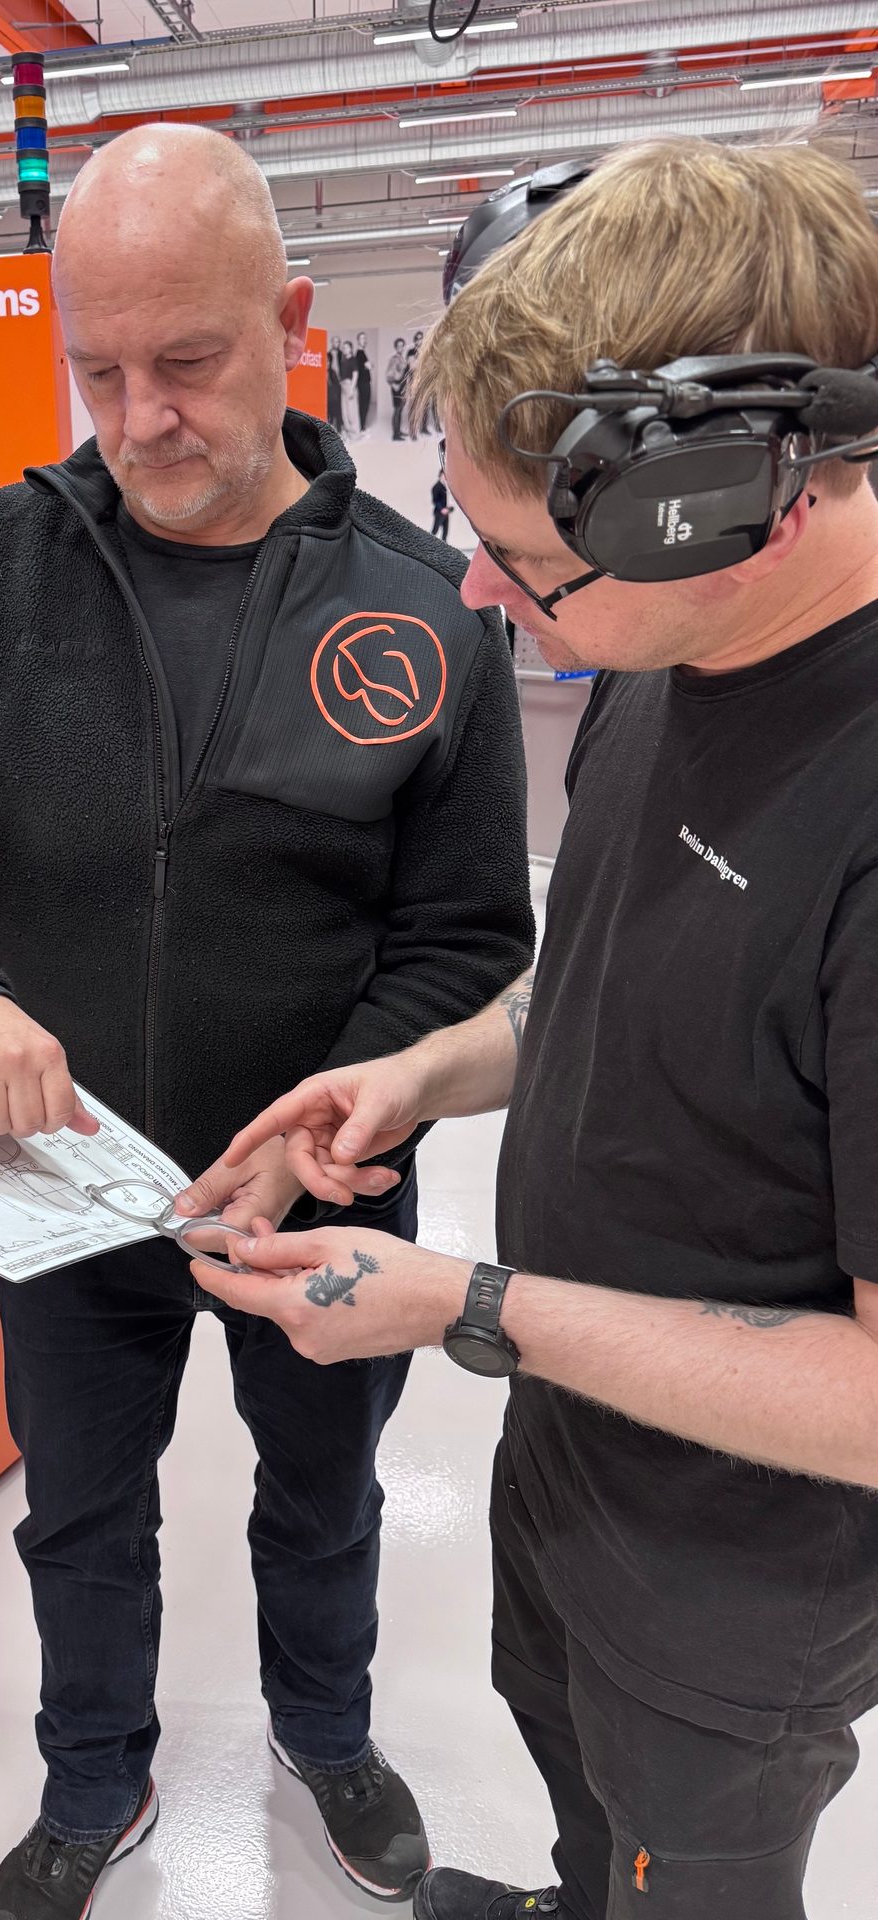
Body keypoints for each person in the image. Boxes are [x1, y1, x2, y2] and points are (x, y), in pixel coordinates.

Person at [0, 123, 533, 1920]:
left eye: (186, 365)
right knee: (78, 1512)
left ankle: (326, 1732)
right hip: (66, 1191)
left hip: (327, 1199)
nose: (136, 422)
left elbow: (466, 937)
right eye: (95, 373)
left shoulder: (429, 612)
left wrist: (346, 1123)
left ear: (289, 326)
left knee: (326, 1502)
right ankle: (93, 1778)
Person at [179, 138, 878, 1920]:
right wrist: (428, 1069)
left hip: (737, 1579)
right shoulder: (675, 649)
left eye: (520, 564)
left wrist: (465, 1306)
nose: (480, 600)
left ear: (745, 503)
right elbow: (631, 978)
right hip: (582, 1452)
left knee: (681, 1868)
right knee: (573, 1788)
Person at [386, 335, 408, 439]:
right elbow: (388, 374)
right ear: (396, 347)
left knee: (400, 409)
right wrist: (393, 385)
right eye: (399, 346)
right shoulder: (394, 359)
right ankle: (395, 435)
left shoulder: (403, 358)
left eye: (402, 346)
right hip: (396, 386)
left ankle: (398, 431)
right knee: (397, 409)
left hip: (403, 386)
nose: (401, 348)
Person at [339, 336, 360, 436]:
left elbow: (355, 374)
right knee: (345, 411)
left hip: (350, 386)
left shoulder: (353, 359)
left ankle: (355, 433)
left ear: (351, 348)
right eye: (343, 347)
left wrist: (352, 389)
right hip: (343, 387)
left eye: (346, 347)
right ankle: (349, 432)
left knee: (352, 411)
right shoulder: (343, 360)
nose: (344, 349)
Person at [355, 328, 373, 434]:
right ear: (358, 340)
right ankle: (362, 427)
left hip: (365, 383)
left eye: (365, 338)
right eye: (362, 338)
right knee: (364, 404)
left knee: (364, 404)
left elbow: (369, 366)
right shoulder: (359, 353)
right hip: (363, 383)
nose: (364, 340)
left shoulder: (362, 353)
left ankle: (362, 426)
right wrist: (369, 365)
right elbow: (369, 366)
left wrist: (369, 365)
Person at [326, 341, 343, 432]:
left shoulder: (333, 372)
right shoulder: (319, 374)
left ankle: (338, 429)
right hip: (325, 400)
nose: (327, 363)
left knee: (335, 414)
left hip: (334, 399)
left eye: (328, 361)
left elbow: (337, 386)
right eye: (325, 361)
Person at [430, 472, 451, 541]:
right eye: (444, 475)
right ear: (440, 475)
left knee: (445, 531)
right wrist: (441, 509)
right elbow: (435, 500)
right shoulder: (436, 487)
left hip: (446, 512)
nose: (445, 476)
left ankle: (444, 545)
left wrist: (448, 508)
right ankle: (430, 543)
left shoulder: (445, 486)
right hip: (439, 512)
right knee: (435, 530)